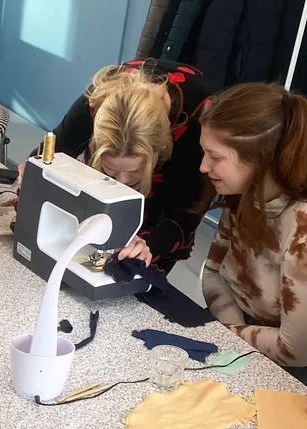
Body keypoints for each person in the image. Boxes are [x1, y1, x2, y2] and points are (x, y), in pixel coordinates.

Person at [20, 59, 215, 275]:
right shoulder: (99, 97)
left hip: (168, 194)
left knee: (132, 272)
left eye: (133, 173)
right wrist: (30, 180)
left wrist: (148, 245)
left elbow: (183, 219)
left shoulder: (198, 127)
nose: (121, 183)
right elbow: (50, 152)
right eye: (110, 171)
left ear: (160, 149)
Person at [200, 83, 307, 387]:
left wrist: (232, 338)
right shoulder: (244, 191)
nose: (203, 166)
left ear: (259, 159)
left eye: (214, 156)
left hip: (288, 367)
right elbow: (212, 272)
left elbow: (295, 352)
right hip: (236, 326)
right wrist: (231, 329)